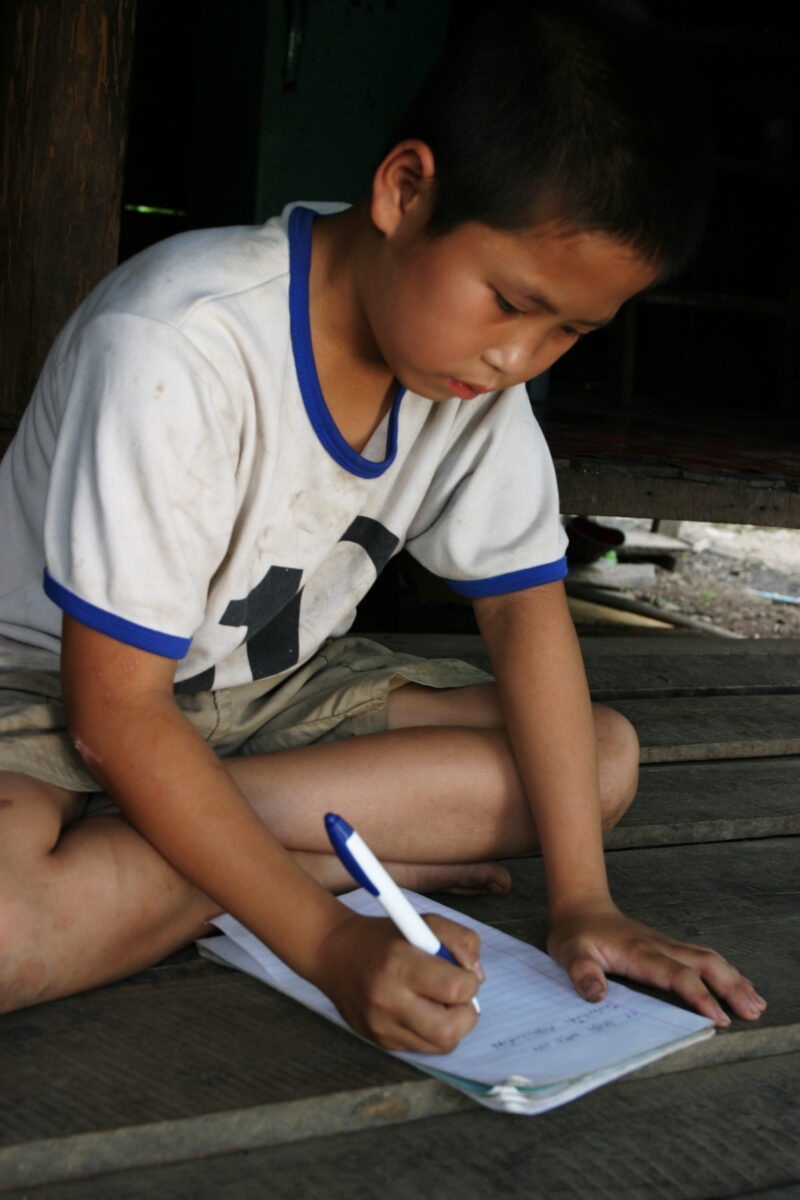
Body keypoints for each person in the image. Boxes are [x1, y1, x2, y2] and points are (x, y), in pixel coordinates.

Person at [0, 0, 766, 1051]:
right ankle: (314, 857)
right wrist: (328, 943)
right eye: (510, 302)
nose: (518, 359)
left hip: (266, 699)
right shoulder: (180, 341)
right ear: (406, 190)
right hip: (54, 701)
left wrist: (583, 900)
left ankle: (198, 833)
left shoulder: (472, 384)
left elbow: (525, 617)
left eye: (569, 332)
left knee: (598, 763)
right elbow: (115, 713)